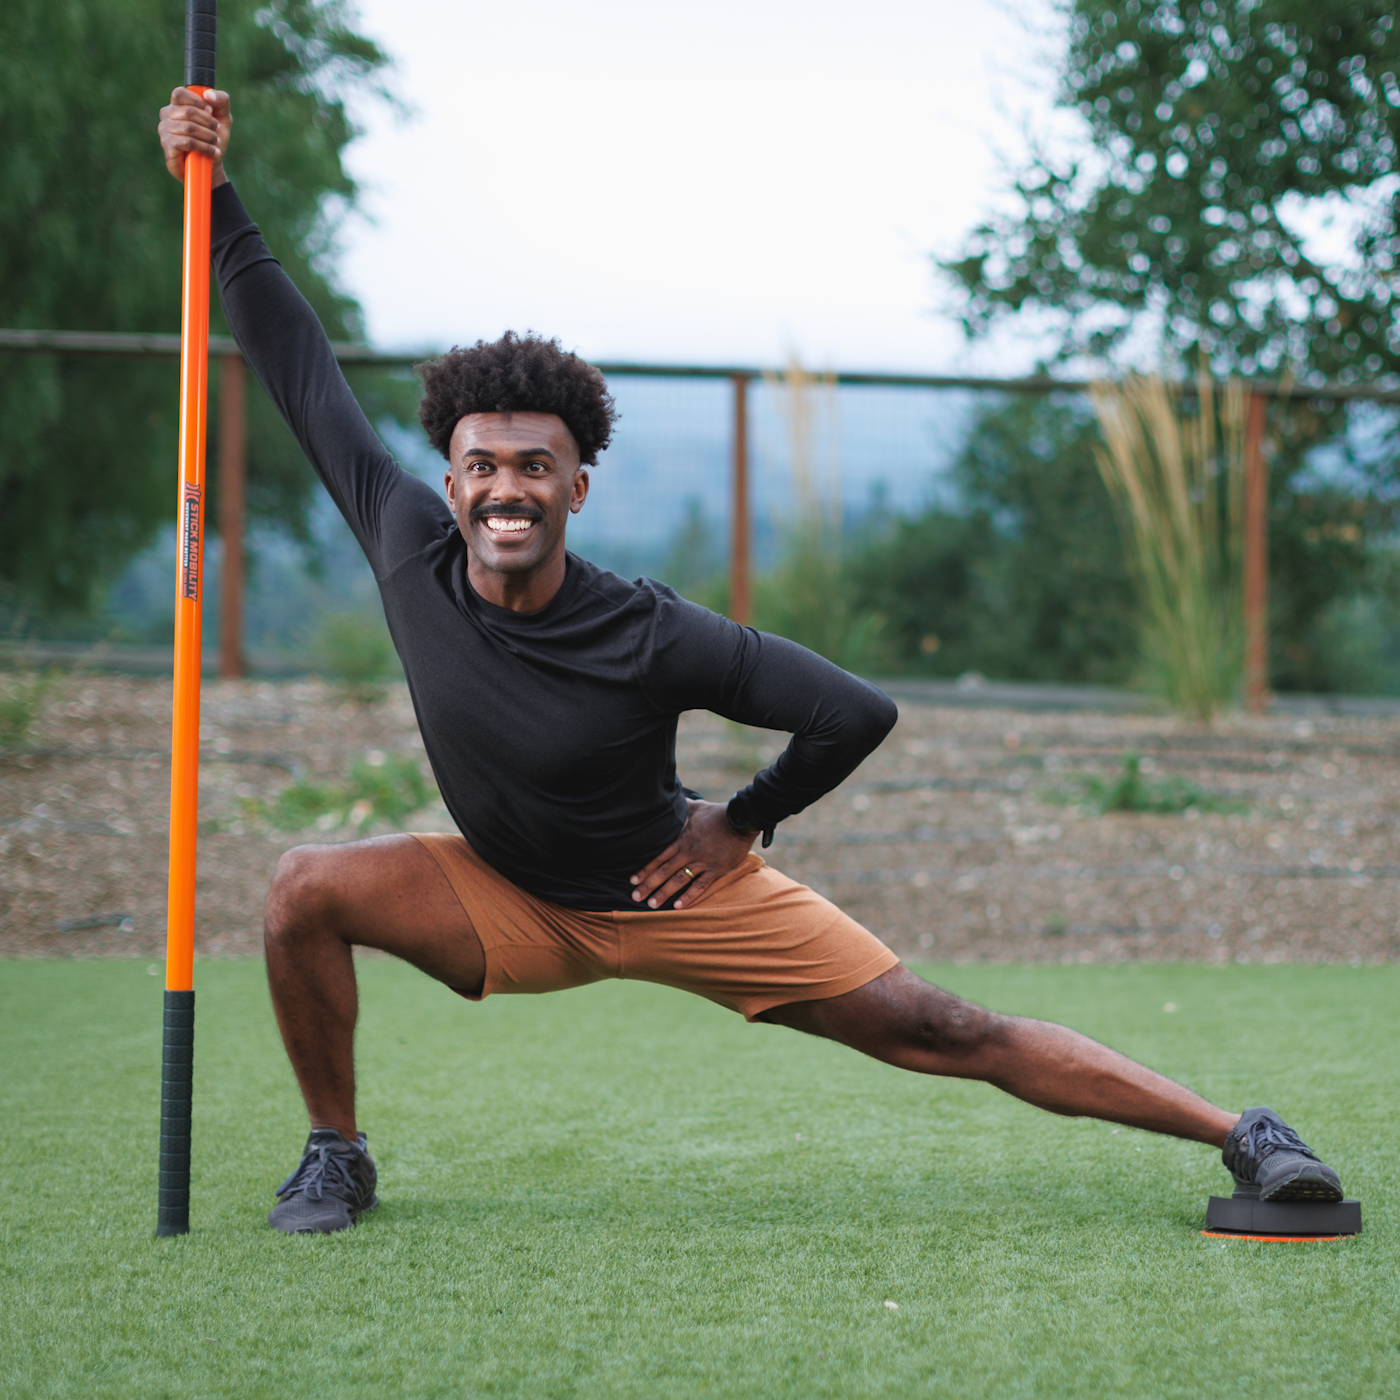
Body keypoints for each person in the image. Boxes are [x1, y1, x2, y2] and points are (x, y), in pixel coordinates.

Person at [157, 87, 1343, 1234]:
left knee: (938, 1025)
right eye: (481, 465)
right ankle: (336, 1151)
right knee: (305, 886)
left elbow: (851, 710)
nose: (503, 487)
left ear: (576, 484)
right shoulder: (403, 538)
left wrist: (739, 818)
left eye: (534, 466)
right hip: (509, 894)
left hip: (686, 895)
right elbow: (292, 355)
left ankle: (1240, 1131)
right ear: (450, 477)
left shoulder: (650, 628)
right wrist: (213, 181)